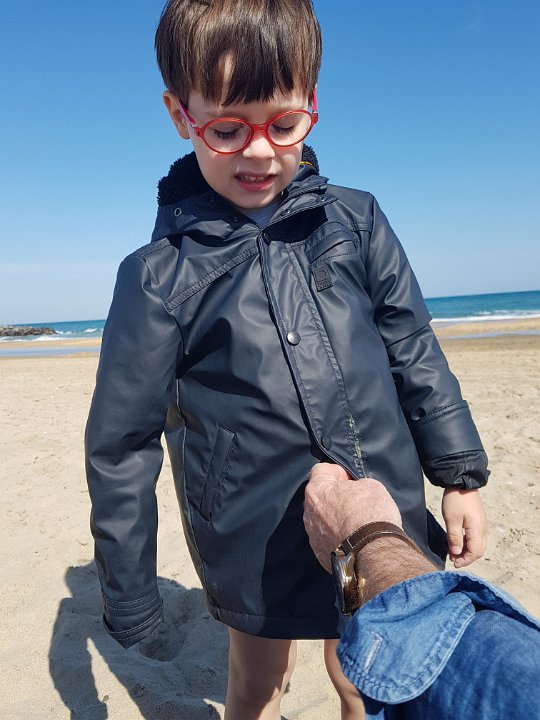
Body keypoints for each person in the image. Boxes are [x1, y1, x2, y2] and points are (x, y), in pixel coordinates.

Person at [85, 1, 489, 718]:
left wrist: (458, 475)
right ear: (181, 115)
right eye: (227, 129)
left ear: (312, 105)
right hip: (252, 530)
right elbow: (122, 444)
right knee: (258, 680)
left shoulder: (357, 220)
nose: (260, 152)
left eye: (284, 124)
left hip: (377, 501)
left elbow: (413, 348)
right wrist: (133, 595)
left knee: (364, 673)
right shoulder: (157, 276)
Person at [303, 462, 540, 719]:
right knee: (276, 664)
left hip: (381, 482)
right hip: (301, 497)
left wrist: (461, 478)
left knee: (352, 672)